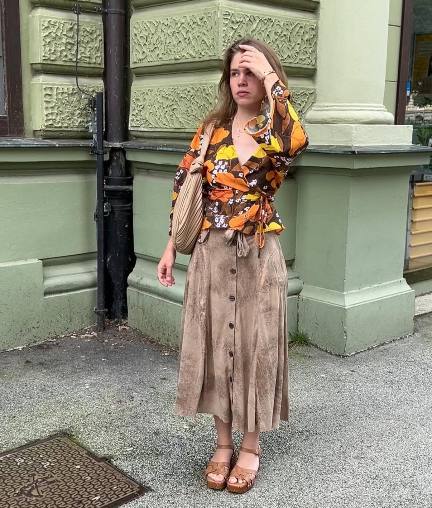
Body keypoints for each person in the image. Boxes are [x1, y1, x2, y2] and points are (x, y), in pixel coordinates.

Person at [157, 38, 309, 494]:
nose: (240, 80)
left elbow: (295, 142)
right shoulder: (211, 130)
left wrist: (270, 75)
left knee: (253, 347)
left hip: (259, 254)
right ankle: (222, 443)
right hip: (210, 252)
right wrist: (170, 248)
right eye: (235, 73)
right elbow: (185, 186)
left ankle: (251, 445)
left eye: (251, 73)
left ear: (266, 79)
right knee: (213, 346)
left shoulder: (274, 128)